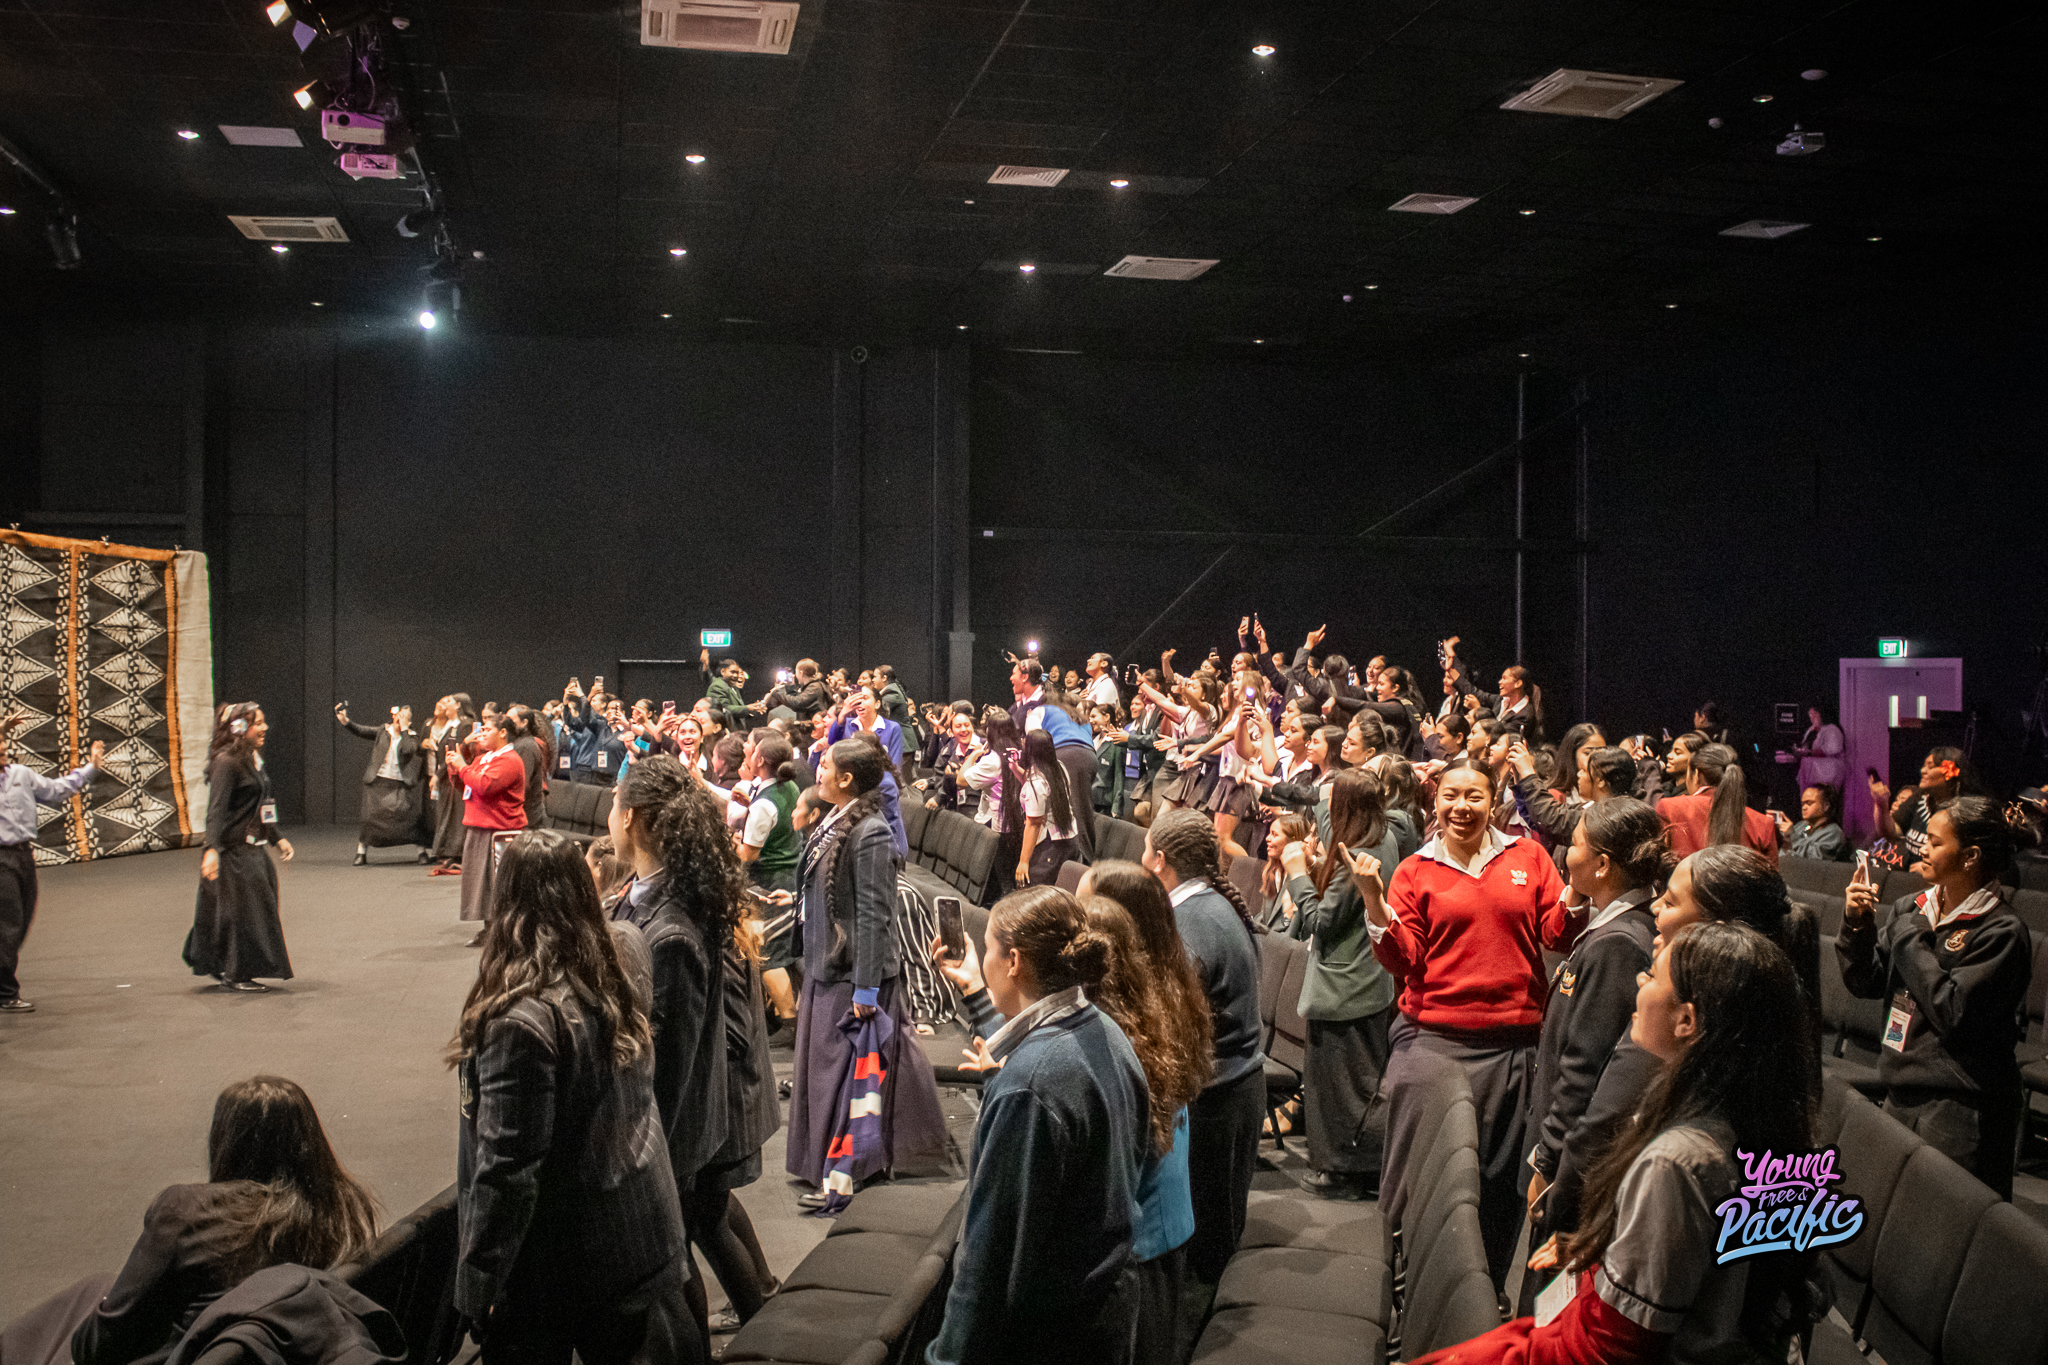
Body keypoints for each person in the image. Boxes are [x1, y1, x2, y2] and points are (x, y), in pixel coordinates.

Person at [1417, 922, 1824, 1364]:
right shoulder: (1751, 1117)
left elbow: (1607, 1349)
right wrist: (1611, 1253)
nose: (1638, 982)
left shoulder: (1676, 1162)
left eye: (1652, 974)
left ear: (1686, 1021)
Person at [449, 829, 698, 1365]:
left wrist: (478, 1282)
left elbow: (508, 1169)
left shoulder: (520, 1021)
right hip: (639, 1228)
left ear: (506, 900)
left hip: (566, 1259)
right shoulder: (623, 954)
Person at [1537, 845, 1820, 1259]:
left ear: (1716, 927)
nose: (1654, 907)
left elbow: (1602, 1127)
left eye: (1670, 902)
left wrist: (1567, 1218)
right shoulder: (1758, 1017)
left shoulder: (1678, 1049)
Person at [0, 1075, 379, 1365]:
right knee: (93, 1287)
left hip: (194, 1352)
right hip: (248, 1346)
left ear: (225, 1140)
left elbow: (99, 1348)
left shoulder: (190, 1212)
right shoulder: (340, 1208)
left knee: (60, 1324)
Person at [1370, 755, 1573, 1286]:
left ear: (1493, 800)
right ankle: (1405, 1286)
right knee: (1418, 1178)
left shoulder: (1528, 855)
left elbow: (1557, 934)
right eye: (1451, 795)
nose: (1461, 807)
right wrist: (1373, 902)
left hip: (1514, 1043)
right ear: (1435, 799)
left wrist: (1576, 891)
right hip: (1434, 1040)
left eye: (1474, 796)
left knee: (1498, 1182)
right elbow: (1403, 959)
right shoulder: (1414, 870)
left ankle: (1484, 1292)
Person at [924, 886, 1149, 1365]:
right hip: (1104, 1308)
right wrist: (974, 991)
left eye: (988, 949)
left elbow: (991, 1255)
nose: (983, 961)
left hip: (1051, 1335)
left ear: (1014, 962)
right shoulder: (1106, 1031)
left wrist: (949, 1356)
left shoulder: (1029, 1087)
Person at [1839, 794, 2032, 1197]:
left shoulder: (2002, 931)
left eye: (1935, 841)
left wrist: (1910, 936)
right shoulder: (1913, 907)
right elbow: (1866, 983)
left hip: (1960, 1108)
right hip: (1900, 1087)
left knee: (1943, 1224)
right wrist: (1856, 926)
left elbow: (1953, 1011)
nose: (1922, 849)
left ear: (1970, 856)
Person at [786, 738, 948, 1207]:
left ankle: (846, 1173)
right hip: (827, 969)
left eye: (824, 765)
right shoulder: (837, 819)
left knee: (848, 1082)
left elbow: (875, 915)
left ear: (846, 779)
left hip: (855, 978)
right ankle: (828, 1166)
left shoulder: (871, 832)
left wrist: (866, 988)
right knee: (827, 1078)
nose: (817, 770)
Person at [1520, 798, 1665, 1312]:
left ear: (1602, 864)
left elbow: (1585, 1069)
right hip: (1570, 1154)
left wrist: (1548, 1161)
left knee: (1548, 1310)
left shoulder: (1619, 943)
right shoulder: (1615, 927)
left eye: (1575, 843)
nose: (1565, 853)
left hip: (1572, 1166)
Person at [1140, 810, 1264, 1290]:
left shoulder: (1190, 922)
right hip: (1234, 1088)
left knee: (1205, 1259)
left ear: (1159, 859)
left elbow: (1173, 1023)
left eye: (1145, 849)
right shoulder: (1213, 904)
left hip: (1216, 1102)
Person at [1275, 768, 1401, 1195]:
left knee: (1342, 1089)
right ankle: (1348, 1167)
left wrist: (1297, 873)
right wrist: (1315, 866)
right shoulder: (1380, 836)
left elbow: (1320, 922)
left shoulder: (1358, 852)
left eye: (1331, 802)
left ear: (1345, 806)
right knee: (1354, 1084)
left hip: (1346, 988)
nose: (1324, 808)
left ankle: (1345, 1171)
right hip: (1366, 981)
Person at [184, 703, 296, 993]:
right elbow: (216, 809)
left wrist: (277, 838)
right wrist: (211, 850)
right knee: (242, 914)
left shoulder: (252, 760)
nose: (264, 728)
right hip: (234, 852)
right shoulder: (227, 762)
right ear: (241, 728)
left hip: (254, 850)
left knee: (257, 909)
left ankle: (231, 966)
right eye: (258, 723)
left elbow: (263, 805)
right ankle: (235, 973)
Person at [0, 712, 101, 1013]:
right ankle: (5, 993)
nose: (4, 748)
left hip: (23, 856)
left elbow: (57, 790)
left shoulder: (20, 774)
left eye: (3, 743)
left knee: (21, 922)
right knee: (8, 925)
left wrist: (91, 768)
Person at [446, 711, 527, 944]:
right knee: (481, 886)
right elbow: (467, 786)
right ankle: (489, 929)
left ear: (502, 733)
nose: (480, 734)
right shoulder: (484, 758)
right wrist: (455, 768)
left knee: (498, 885)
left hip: (500, 832)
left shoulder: (510, 760)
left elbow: (485, 786)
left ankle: (505, 933)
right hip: (479, 828)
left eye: (486, 730)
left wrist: (462, 767)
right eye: (481, 730)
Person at [1009, 658, 1101, 863]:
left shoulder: (1039, 710)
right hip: (1089, 758)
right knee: (1083, 810)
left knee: (1065, 811)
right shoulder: (1078, 717)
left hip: (1064, 755)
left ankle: (1074, 864)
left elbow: (1034, 740)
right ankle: (1084, 861)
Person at [334, 702, 426, 866]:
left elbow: (407, 750)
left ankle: (421, 851)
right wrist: (346, 721)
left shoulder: (412, 736)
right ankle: (361, 852)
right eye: (397, 715)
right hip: (378, 782)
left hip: (400, 784)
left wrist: (405, 729)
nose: (398, 719)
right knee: (369, 819)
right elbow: (361, 730)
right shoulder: (383, 731)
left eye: (403, 717)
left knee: (410, 818)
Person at [1655, 742, 1776, 862]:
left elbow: (1656, 864)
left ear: (1697, 774)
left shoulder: (1668, 808)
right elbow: (1771, 873)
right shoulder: (1764, 824)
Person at [1868, 745, 1967, 863]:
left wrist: (1930, 867)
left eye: (1930, 767)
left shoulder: (1963, 809)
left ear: (1950, 773)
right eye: (1924, 766)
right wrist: (1881, 804)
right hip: (1910, 873)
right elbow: (1890, 833)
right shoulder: (1920, 797)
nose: (1923, 771)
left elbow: (1964, 858)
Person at [1015, 728, 1082, 887]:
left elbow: (1034, 824)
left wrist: (1023, 861)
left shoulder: (1037, 783)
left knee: (1036, 892)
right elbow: (1033, 783)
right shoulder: (1059, 767)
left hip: (1051, 847)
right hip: (1070, 841)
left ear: (1030, 750)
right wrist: (1014, 767)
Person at [424, 694, 475, 874]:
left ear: (458, 705)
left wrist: (438, 775)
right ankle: (447, 852)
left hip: (457, 777)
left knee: (456, 815)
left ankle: (456, 853)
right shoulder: (451, 724)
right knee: (447, 814)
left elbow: (460, 753)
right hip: (448, 776)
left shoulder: (465, 725)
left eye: (449, 702)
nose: (444, 705)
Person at [1776, 783, 1850, 861]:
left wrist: (1793, 837)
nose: (1804, 807)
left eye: (1809, 803)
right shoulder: (1801, 825)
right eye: (1803, 804)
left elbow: (1815, 858)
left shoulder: (1834, 832)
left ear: (1826, 806)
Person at [1793, 704, 1845, 795]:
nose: (1812, 718)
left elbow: (1833, 749)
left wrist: (1810, 753)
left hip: (1828, 773)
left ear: (1821, 714)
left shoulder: (1832, 729)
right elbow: (1805, 746)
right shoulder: (1813, 730)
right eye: (1811, 716)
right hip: (1814, 772)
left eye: (1814, 715)